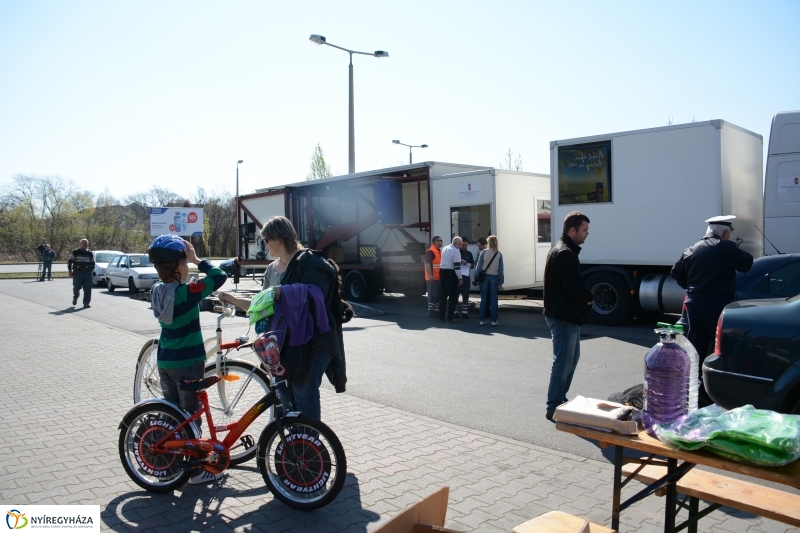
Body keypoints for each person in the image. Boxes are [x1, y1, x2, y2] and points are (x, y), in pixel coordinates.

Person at [148, 235, 228, 484]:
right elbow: (219, 277)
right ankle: (196, 470)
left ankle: (170, 465)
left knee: (172, 415)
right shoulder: (185, 293)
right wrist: (197, 260)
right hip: (188, 363)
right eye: (185, 262)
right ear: (180, 267)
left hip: (165, 361)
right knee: (191, 414)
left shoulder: (157, 291)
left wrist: (187, 264)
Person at [261, 215, 348, 421]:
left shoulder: (309, 262)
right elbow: (264, 304)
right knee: (284, 390)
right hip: (286, 341)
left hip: (316, 340)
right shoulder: (271, 270)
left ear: (279, 239)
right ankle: (292, 443)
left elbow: (317, 297)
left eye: (267, 240)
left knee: (303, 386)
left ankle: (309, 446)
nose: (265, 245)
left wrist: (284, 292)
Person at [671, 215, 753, 401]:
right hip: (716, 304)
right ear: (725, 232)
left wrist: (693, 287)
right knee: (719, 348)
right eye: (729, 234)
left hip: (694, 303)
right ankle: (716, 390)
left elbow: (676, 272)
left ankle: (693, 388)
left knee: (696, 347)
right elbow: (747, 263)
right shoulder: (726, 247)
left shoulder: (691, 249)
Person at [544, 212, 594, 422]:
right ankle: (554, 406)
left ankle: (559, 400)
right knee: (564, 361)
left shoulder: (565, 250)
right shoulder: (564, 252)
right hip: (563, 315)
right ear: (572, 230)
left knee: (570, 360)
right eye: (584, 230)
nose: (587, 234)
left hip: (565, 314)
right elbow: (574, 286)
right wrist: (589, 298)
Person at [475, 235, 504, 326]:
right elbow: (500, 269)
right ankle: (494, 321)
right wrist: (501, 281)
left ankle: (482, 320)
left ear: (488, 242)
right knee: (493, 300)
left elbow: (479, 266)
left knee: (483, 299)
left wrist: (476, 277)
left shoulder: (483, 252)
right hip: (494, 277)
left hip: (484, 277)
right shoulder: (499, 254)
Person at [438, 236, 463, 323]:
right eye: (460, 244)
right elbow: (457, 266)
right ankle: (450, 318)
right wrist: (460, 278)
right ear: (455, 243)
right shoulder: (456, 251)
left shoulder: (445, 248)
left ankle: (441, 317)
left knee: (443, 295)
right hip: (451, 273)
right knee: (452, 296)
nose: (461, 246)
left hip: (442, 271)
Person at [67, 239, 95, 308]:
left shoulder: (89, 253)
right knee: (76, 287)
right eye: (84, 243)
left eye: (86, 243)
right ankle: (75, 297)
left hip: (87, 273)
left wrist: (90, 270)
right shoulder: (75, 252)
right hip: (77, 273)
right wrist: (70, 270)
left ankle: (86, 303)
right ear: (80, 244)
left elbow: (92, 263)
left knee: (87, 289)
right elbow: (70, 261)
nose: (85, 245)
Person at [424, 236, 443, 318]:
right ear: (436, 241)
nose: (442, 242)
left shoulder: (439, 251)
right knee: (433, 295)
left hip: (438, 278)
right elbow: (427, 264)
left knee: (438, 295)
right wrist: (431, 275)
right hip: (433, 278)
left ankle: (436, 311)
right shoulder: (431, 252)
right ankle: (431, 311)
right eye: (440, 240)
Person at [458, 237, 474, 318]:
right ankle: (455, 312)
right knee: (456, 294)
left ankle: (464, 312)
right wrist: (461, 260)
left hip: (466, 276)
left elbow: (472, 265)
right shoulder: (457, 252)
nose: (464, 246)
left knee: (466, 294)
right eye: (462, 245)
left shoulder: (469, 254)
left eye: (465, 245)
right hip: (457, 276)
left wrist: (469, 265)